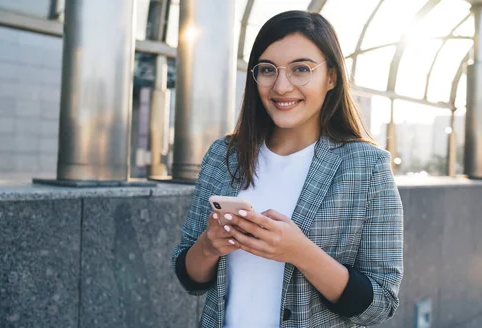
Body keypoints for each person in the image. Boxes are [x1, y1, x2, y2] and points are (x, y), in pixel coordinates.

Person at [172, 10, 403, 328]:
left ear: (331, 77)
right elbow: (189, 278)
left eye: (301, 69)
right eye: (268, 70)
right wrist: (209, 245)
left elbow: (381, 304)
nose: (281, 86)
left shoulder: (368, 167)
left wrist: (301, 252)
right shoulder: (224, 155)